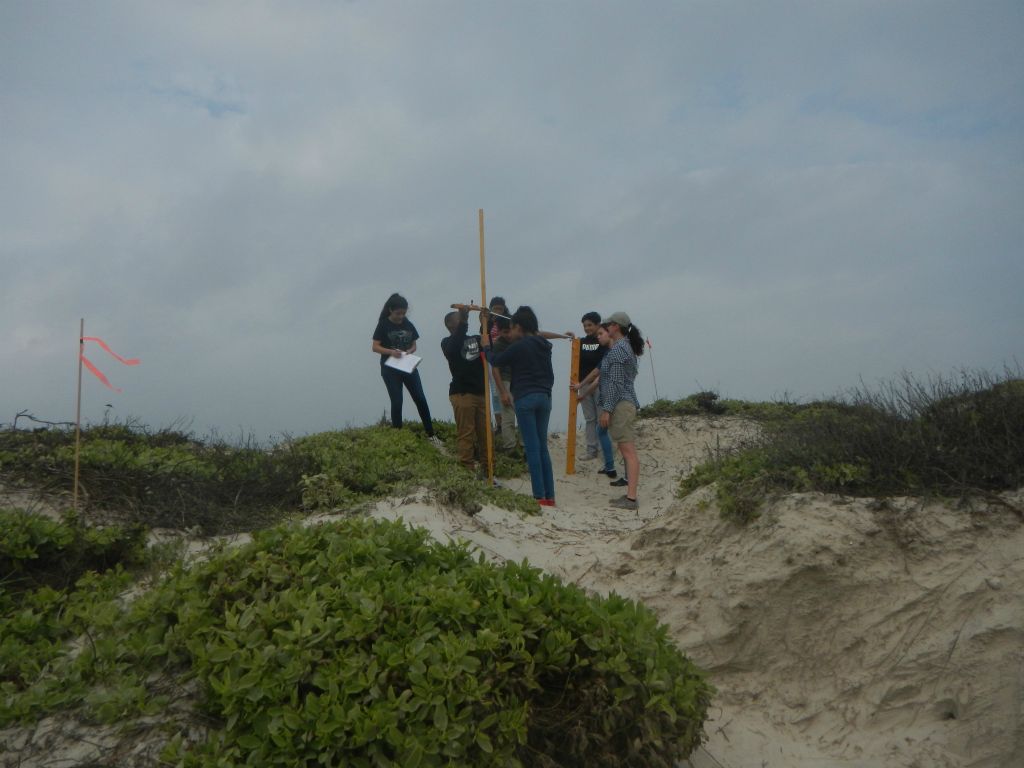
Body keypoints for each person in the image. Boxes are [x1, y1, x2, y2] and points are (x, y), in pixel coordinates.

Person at [481, 305, 556, 507]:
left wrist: (486, 345)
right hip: (544, 397)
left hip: (525, 398)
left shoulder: (520, 345)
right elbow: (550, 376)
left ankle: (539, 497)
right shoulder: (543, 345)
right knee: (542, 448)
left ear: (519, 327)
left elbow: (496, 360)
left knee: (532, 448)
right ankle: (550, 496)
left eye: (512, 328)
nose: (510, 333)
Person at [371, 293, 441, 446]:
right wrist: (391, 352)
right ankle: (398, 436)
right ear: (390, 310)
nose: (400, 316)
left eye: (403, 313)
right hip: (390, 368)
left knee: (420, 398)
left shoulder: (408, 323)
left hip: (408, 365)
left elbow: (414, 344)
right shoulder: (383, 324)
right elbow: (375, 346)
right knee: (397, 401)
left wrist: (409, 351)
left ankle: (431, 434)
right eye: (398, 313)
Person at [598, 311, 644, 511]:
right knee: (627, 451)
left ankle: (631, 498)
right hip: (624, 402)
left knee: (628, 452)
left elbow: (616, 383)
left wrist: (606, 409)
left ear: (616, 326)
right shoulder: (626, 348)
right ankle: (630, 496)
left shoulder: (618, 350)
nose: (606, 327)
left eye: (609, 324)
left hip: (621, 404)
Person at [441, 307, 487, 470]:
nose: (462, 320)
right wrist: (465, 321)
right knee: (466, 435)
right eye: (458, 318)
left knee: (486, 435)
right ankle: (467, 471)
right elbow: (454, 348)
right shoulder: (447, 343)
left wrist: (486, 322)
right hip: (462, 393)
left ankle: (489, 471)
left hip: (481, 394)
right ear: (450, 324)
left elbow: (489, 346)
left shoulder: (474, 339)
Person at [569, 312, 615, 473]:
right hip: (584, 383)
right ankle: (591, 450)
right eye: (584, 325)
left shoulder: (603, 340)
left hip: (600, 384)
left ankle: (605, 452)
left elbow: (600, 369)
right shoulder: (581, 342)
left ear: (597, 325)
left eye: (590, 325)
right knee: (590, 418)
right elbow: (576, 356)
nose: (587, 328)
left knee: (602, 418)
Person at [490, 315, 519, 452]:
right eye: (505, 332)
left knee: (520, 411)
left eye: (510, 331)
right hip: (504, 380)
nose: (508, 335)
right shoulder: (498, 345)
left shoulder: (517, 341)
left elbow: (538, 334)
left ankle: (522, 446)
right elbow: (495, 369)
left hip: (517, 380)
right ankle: (510, 447)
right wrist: (503, 392)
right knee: (508, 414)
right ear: (499, 332)